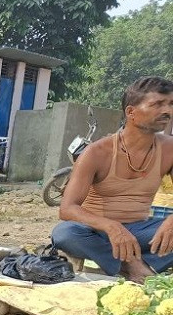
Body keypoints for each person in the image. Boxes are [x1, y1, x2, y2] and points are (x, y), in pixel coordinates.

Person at [51, 76, 173, 282]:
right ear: (131, 112)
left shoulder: (169, 149)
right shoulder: (97, 152)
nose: (167, 110)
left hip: (139, 232)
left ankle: (136, 264)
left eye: (170, 104)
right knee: (65, 234)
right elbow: (67, 209)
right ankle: (131, 265)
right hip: (97, 232)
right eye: (157, 104)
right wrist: (111, 226)